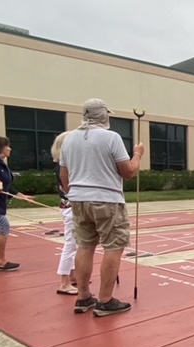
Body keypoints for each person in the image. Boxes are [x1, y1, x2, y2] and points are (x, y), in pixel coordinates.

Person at [60, 98, 144, 316]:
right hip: (106, 199)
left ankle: (83, 297)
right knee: (113, 246)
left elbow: (64, 175)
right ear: (104, 115)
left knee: (84, 246)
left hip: (78, 199)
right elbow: (128, 172)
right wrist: (138, 155)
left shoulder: (69, 140)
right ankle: (105, 301)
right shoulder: (111, 137)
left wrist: (74, 194)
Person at [0, 136, 35, 271]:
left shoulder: (1, 164)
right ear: (1, 149)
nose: (10, 149)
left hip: (0, 203)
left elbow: (6, 185)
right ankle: (0, 261)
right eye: (8, 146)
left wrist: (21, 196)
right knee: (2, 225)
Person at [51, 131, 78, 295]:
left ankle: (73, 276)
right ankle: (64, 281)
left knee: (76, 243)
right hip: (71, 207)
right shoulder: (63, 166)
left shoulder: (64, 164)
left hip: (70, 207)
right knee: (70, 244)